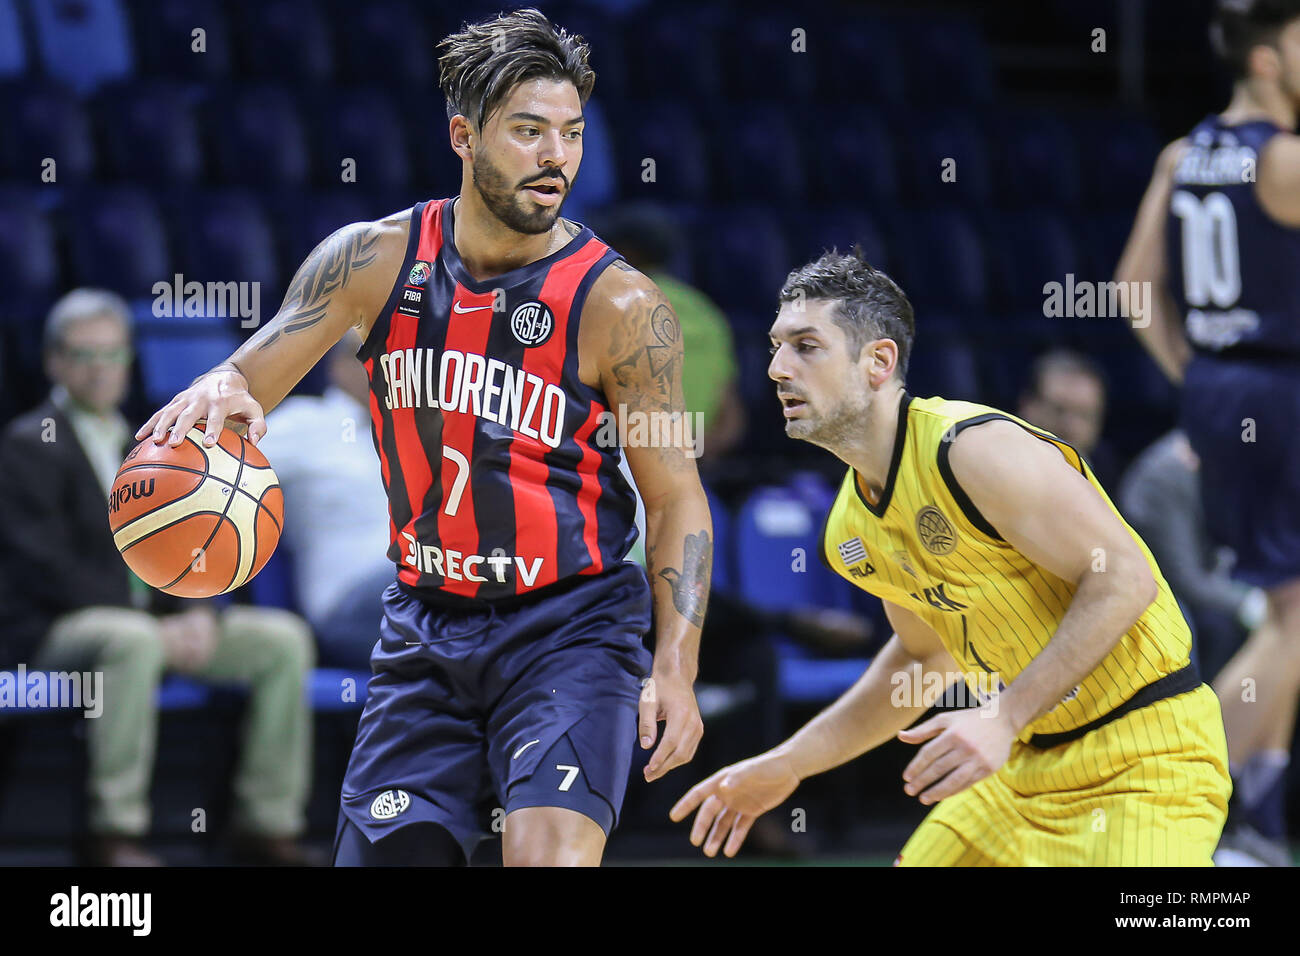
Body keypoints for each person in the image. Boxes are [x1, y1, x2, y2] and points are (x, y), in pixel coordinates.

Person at [135, 8, 709, 867]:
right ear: (464, 136)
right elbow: (246, 376)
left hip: (571, 625)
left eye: (571, 134)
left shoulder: (623, 307)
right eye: (528, 132)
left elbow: (676, 502)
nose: (556, 157)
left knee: (546, 856)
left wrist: (677, 665)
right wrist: (218, 389)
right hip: (424, 628)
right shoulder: (372, 260)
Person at [670, 249, 1230, 865]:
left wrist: (1001, 716)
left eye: (806, 346)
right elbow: (922, 658)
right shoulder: (850, 531)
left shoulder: (974, 449)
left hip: (1145, 757)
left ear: (878, 361)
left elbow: (1126, 580)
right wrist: (788, 764)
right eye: (776, 347)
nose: (777, 368)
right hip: (1023, 770)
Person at [0, 289, 319, 867]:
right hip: (55, 631)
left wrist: (200, 610)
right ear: (54, 362)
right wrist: (152, 621)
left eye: (114, 355)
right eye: (84, 355)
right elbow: (42, 566)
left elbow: (184, 548)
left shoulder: (149, 438)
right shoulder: (28, 442)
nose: (102, 371)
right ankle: (113, 832)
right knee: (133, 640)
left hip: (153, 626)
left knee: (281, 640)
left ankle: (264, 823)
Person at [1115, 0, 1300, 864]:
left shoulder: (1182, 153)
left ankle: (1253, 825)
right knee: (1292, 620)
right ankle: (1163, 796)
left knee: (1286, 611)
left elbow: (1131, 292)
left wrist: (1201, 376)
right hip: (1281, 386)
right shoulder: (1288, 162)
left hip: (1224, 391)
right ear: (1267, 60)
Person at [255, 332, 394, 670]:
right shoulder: (306, 421)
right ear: (338, 367)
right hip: (345, 605)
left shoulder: (408, 431)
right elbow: (225, 465)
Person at [1016, 349, 1118, 491]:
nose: (1071, 427)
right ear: (1027, 405)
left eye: (1085, 415)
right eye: (1059, 410)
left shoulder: (1107, 470)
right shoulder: (997, 459)